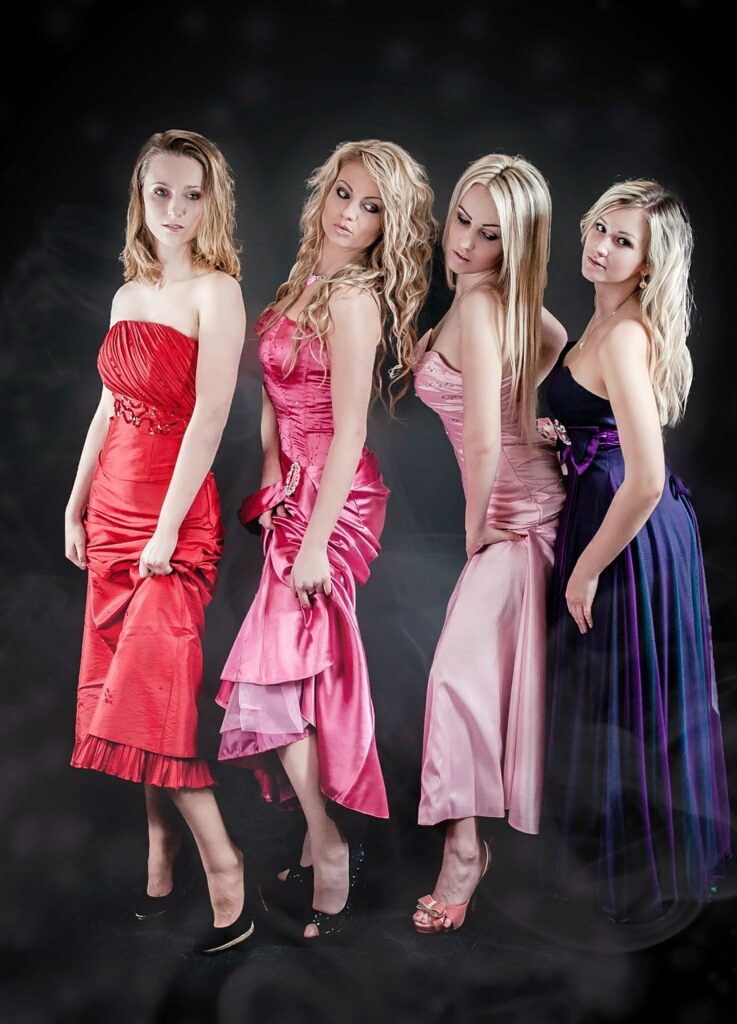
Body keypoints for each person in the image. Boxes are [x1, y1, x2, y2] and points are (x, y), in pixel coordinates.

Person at [216, 139, 436, 939]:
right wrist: (272, 483)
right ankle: (320, 844)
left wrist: (312, 539)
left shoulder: (353, 300)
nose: (350, 214)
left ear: (388, 227)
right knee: (292, 675)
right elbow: (273, 398)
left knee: (275, 673)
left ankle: (332, 843)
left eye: (371, 207)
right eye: (345, 193)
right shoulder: (302, 282)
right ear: (325, 192)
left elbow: (349, 432)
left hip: (336, 498)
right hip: (293, 490)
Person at [66, 129, 253, 954]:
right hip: (111, 510)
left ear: (213, 202)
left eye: (192, 194)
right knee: (128, 697)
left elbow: (210, 417)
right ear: (140, 199)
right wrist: (75, 506)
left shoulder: (218, 291)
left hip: (172, 517)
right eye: (160, 192)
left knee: (154, 696)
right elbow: (107, 409)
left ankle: (226, 871)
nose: (175, 209)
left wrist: (169, 528)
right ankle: (159, 857)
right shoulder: (127, 294)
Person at [542, 179, 730, 923]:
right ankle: (619, 864)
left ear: (648, 264)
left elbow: (647, 476)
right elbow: (601, 428)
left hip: (629, 529)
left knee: (634, 697)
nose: (602, 246)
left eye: (624, 242)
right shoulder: (601, 321)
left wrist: (585, 571)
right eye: (601, 229)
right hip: (607, 511)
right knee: (619, 694)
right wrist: (560, 436)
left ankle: (646, 875)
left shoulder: (622, 335)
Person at [399, 153, 567, 933]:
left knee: (456, 677)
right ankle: (466, 842)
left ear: (517, 244)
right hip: (517, 499)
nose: (464, 242)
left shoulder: (481, 305)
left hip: (516, 516)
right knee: (466, 679)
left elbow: (481, 438)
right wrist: (527, 413)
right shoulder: (488, 300)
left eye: (490, 234)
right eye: (462, 220)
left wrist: (475, 524)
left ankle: (465, 853)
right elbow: (544, 349)